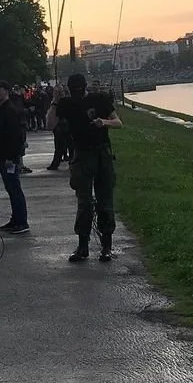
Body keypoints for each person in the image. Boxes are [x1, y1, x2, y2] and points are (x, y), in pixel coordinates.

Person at [47, 73, 121, 262]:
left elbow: (118, 122)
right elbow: (50, 124)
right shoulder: (66, 104)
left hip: (102, 153)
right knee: (84, 202)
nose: (77, 92)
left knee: (105, 201)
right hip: (81, 154)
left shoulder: (100, 99)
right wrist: (55, 101)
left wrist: (103, 122)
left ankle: (106, 245)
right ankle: (83, 245)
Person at [0, 81, 29, 233]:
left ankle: (21, 221)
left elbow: (15, 136)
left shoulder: (9, 110)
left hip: (9, 157)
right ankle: (16, 219)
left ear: (6, 91)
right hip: (3, 155)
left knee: (14, 187)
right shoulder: (0, 109)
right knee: (11, 187)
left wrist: (11, 156)